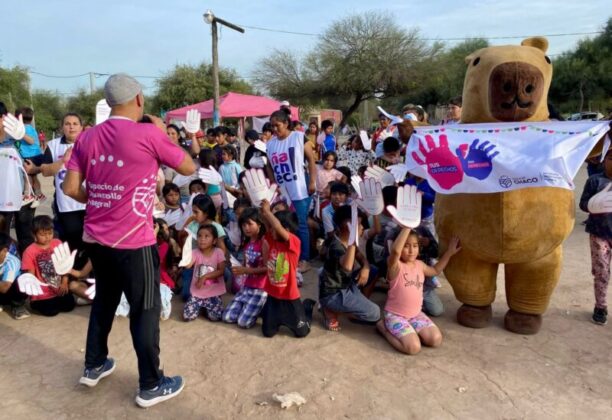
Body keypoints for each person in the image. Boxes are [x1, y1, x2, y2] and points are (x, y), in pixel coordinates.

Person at [63, 73, 194, 407]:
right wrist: (162, 132)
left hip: (96, 238)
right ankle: (151, 384)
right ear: (138, 98)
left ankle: (94, 364)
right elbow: (187, 165)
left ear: (109, 103)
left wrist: (99, 201)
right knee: (145, 308)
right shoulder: (148, 133)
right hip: (134, 241)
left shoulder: (87, 137)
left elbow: (70, 188)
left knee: (105, 299)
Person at [377, 227, 460, 355]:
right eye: (406, 246)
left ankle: (410, 330)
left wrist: (449, 253)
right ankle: (383, 328)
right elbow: (395, 252)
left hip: (415, 315)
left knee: (435, 340)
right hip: (396, 315)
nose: (411, 250)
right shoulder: (395, 266)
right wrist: (407, 226)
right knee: (413, 348)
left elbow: (436, 270)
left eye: (415, 246)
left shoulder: (420, 265)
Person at [25, 113, 88, 269]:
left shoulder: (90, 142)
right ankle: (72, 272)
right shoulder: (53, 145)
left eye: (75, 123)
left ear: (81, 127)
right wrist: (63, 161)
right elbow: (45, 170)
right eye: (67, 124)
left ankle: (87, 273)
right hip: (67, 204)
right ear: (62, 127)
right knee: (71, 242)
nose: (71, 127)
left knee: (90, 241)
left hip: (89, 201)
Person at [266, 110, 317, 273]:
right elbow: (269, 165)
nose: (275, 129)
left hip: (300, 187)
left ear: (286, 123)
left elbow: (311, 160)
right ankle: (290, 254)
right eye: (272, 126)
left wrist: (313, 181)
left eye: (277, 125)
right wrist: (273, 183)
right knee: (285, 222)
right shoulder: (270, 144)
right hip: (283, 190)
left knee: (301, 223)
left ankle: (304, 259)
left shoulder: (299, 137)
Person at [318, 205, 379, 331]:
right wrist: (353, 239)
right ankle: (329, 309)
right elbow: (347, 266)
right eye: (359, 224)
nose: (362, 227)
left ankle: (356, 305)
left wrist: (366, 267)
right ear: (348, 226)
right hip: (334, 293)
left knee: (372, 270)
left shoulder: (344, 240)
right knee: (375, 313)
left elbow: (361, 258)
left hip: (346, 284)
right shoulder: (336, 245)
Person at [260, 199, 314, 337]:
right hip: (273, 295)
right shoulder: (273, 240)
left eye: (274, 228)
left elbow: (277, 227)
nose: (271, 230)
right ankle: (278, 318)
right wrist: (264, 212)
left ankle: (306, 307)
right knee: (268, 332)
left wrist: (268, 212)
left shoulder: (294, 243)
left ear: (287, 230)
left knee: (302, 332)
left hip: (290, 296)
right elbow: (268, 225)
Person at [21, 216, 89, 316]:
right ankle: (35, 303)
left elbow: (66, 266)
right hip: (42, 292)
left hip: (59, 287)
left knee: (69, 306)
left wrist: (64, 282)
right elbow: (30, 275)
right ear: (34, 234)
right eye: (43, 235)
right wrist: (34, 292)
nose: (47, 237)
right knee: (51, 312)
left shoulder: (57, 243)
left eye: (50, 233)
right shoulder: (29, 251)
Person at [579, 148, 612, 325]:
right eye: (610, 158)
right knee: (601, 272)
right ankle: (600, 306)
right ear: (604, 160)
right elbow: (583, 204)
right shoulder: (595, 181)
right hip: (599, 233)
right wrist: (598, 203)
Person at [223, 207, 269, 328]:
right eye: (243, 225)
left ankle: (263, 308)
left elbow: (268, 268)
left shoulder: (264, 242)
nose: (246, 228)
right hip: (247, 286)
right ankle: (250, 307)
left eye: (249, 224)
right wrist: (239, 268)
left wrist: (247, 270)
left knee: (243, 323)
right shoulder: (247, 243)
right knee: (227, 317)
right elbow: (246, 264)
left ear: (259, 224)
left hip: (261, 288)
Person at [0, 102, 36, 255]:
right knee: (3, 232)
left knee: (24, 231)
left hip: (22, 192)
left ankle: (27, 263)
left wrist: (21, 135)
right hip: (2, 195)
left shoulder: (13, 132)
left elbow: (32, 142)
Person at [181, 225, 226, 322]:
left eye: (206, 236)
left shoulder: (218, 252)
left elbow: (221, 271)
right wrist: (186, 248)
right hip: (197, 292)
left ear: (214, 240)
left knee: (215, 317)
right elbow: (188, 266)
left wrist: (205, 277)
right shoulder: (195, 252)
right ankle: (202, 307)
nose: (202, 239)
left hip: (213, 292)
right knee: (188, 316)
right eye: (199, 236)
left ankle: (205, 308)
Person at [15, 107, 45, 203]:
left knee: (26, 176)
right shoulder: (30, 128)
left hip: (31, 156)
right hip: (35, 155)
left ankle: (27, 195)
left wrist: (22, 134)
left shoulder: (25, 128)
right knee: (33, 177)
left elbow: (31, 141)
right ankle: (39, 194)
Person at [0, 232, 30, 319]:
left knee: (22, 280)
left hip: (9, 291)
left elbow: (4, 287)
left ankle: (17, 305)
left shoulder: (12, 262)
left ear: (4, 251)